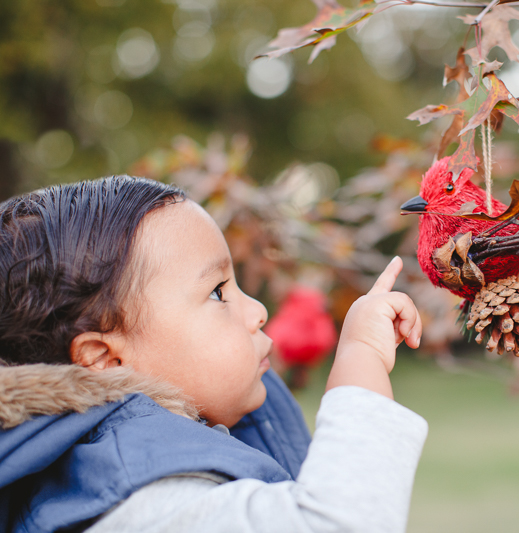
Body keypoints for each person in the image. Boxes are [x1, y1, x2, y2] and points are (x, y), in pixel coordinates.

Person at [0, 176, 428, 533]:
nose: (258, 312)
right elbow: (337, 523)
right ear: (104, 360)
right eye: (219, 292)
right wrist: (362, 356)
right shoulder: (138, 497)